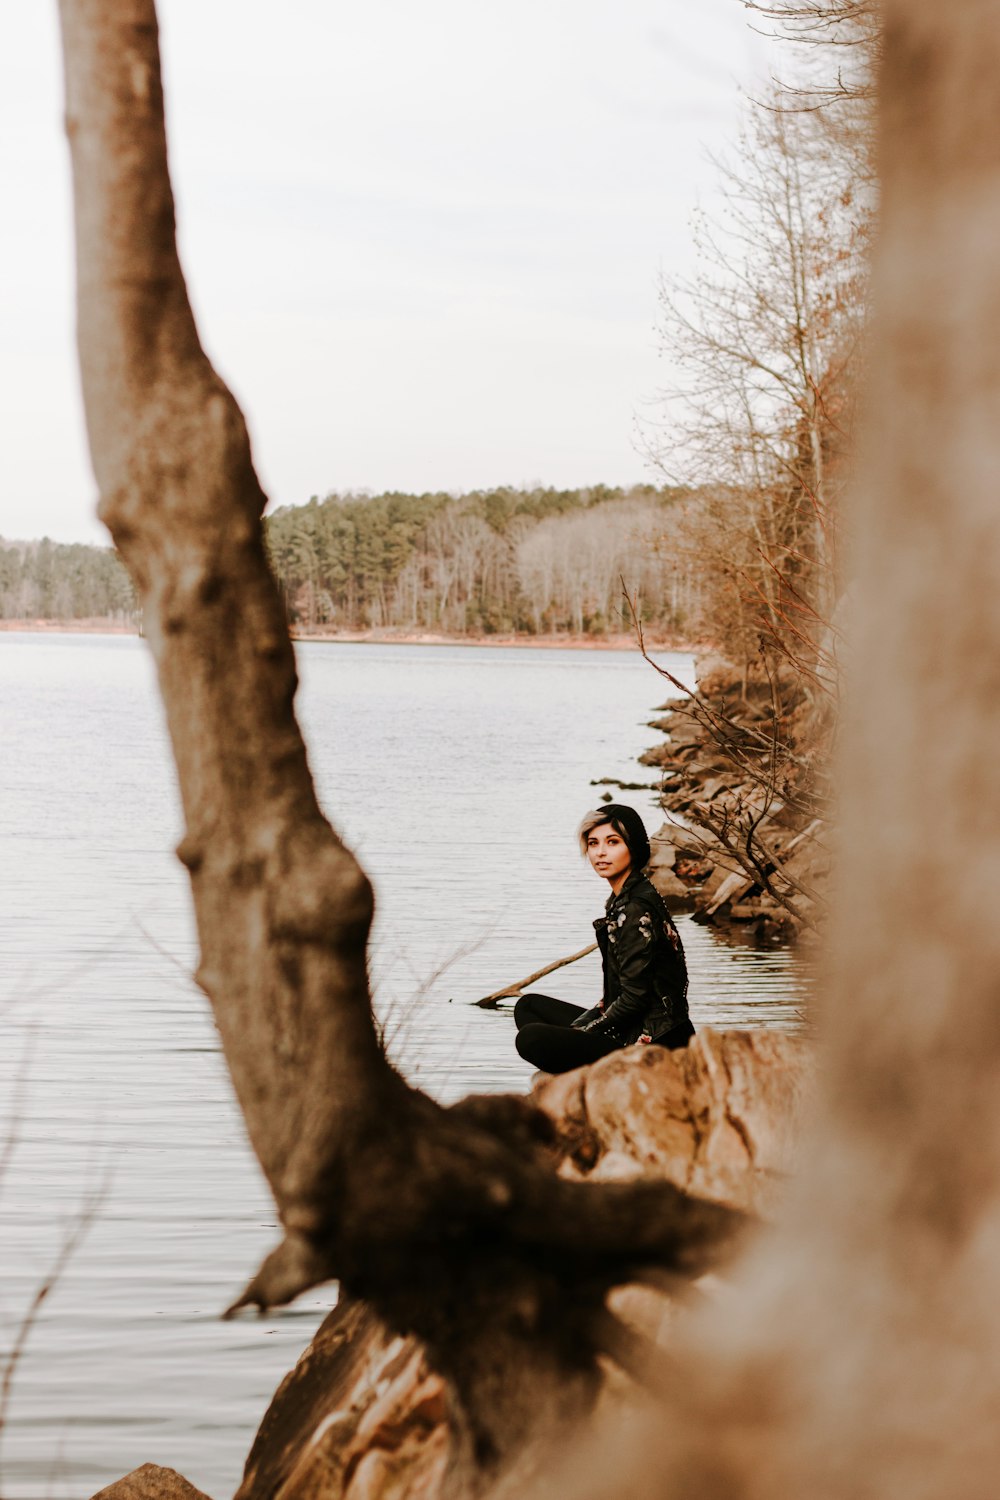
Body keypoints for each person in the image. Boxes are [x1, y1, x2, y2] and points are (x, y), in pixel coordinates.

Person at [514, 804, 693, 1074]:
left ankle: (597, 1081)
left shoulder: (634, 908)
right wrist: (584, 1026)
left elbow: (634, 1000)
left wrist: (588, 1031)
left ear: (633, 847)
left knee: (531, 1039)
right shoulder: (627, 896)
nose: (600, 852)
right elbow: (620, 995)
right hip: (633, 1028)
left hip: (656, 1044)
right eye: (593, 843)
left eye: (613, 842)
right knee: (528, 1006)